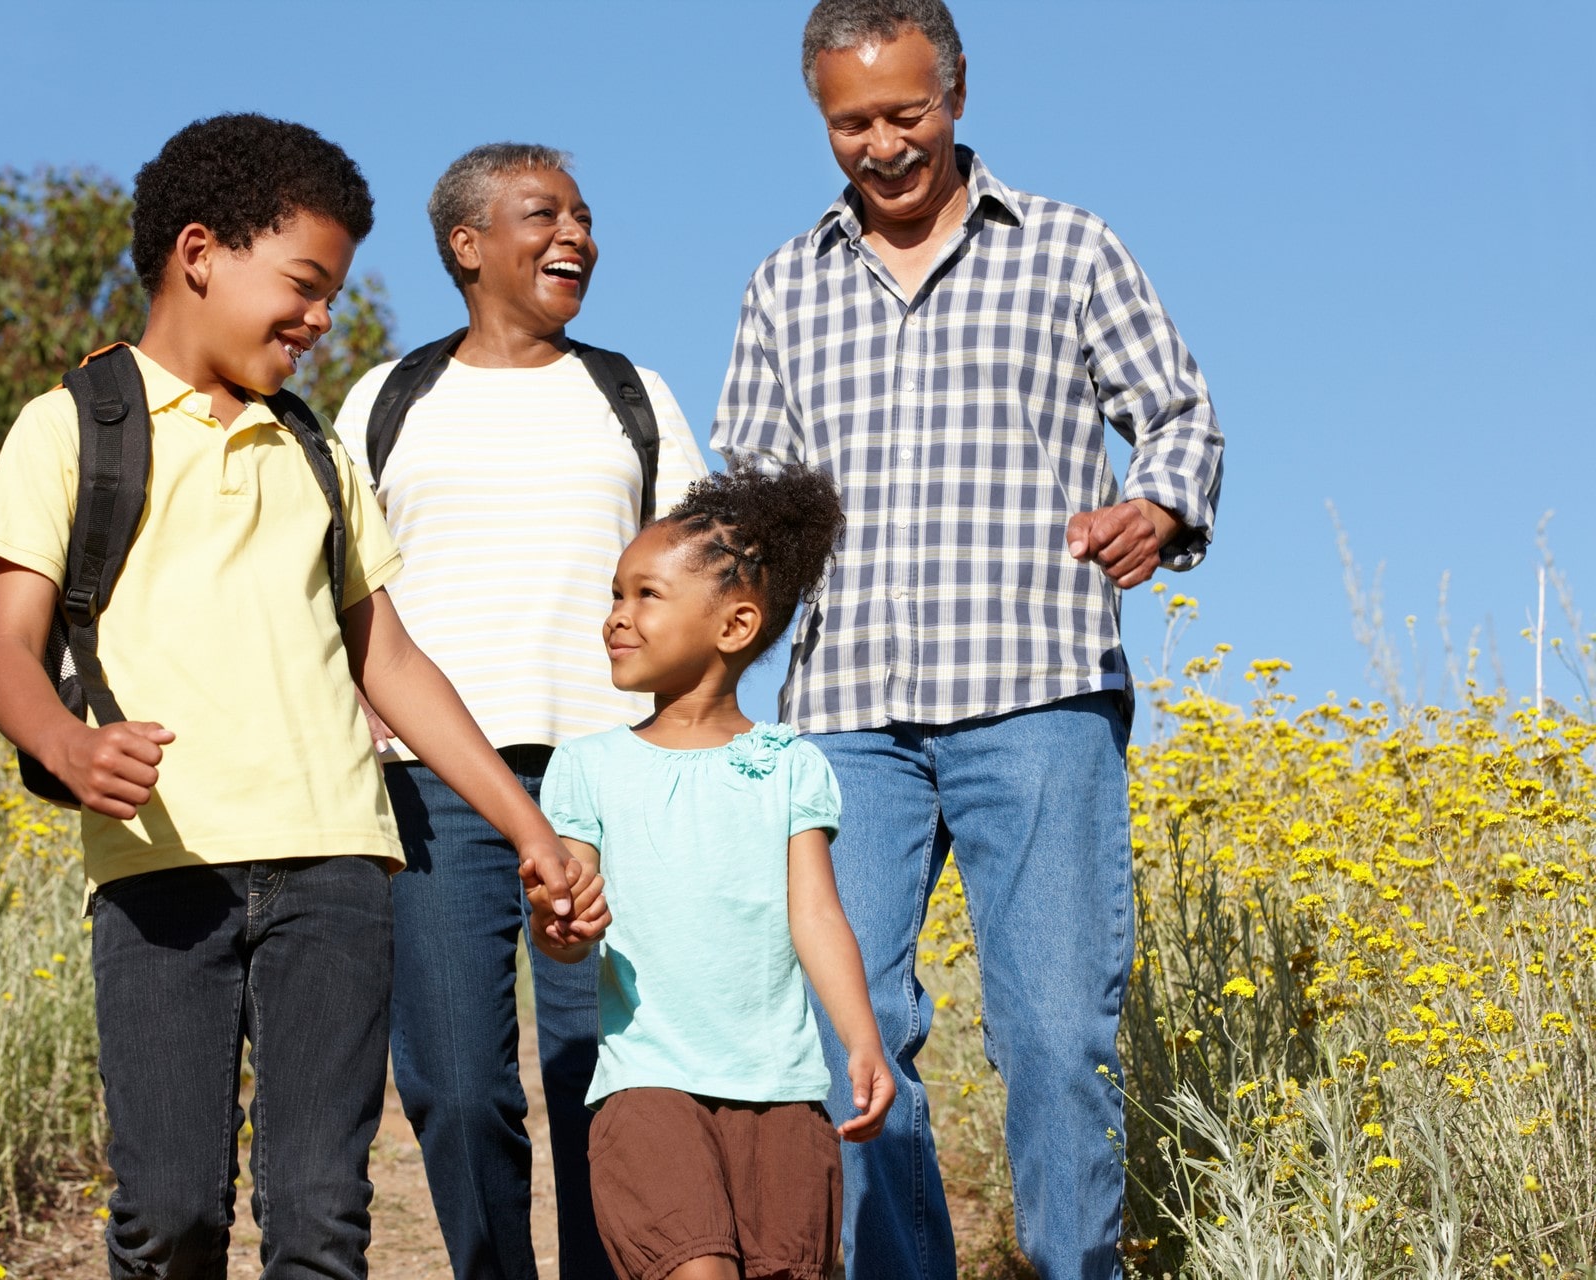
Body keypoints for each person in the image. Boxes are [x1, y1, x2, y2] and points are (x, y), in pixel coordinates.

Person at [0, 114, 592, 1280]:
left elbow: (392, 663)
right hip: (162, 869)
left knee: (319, 1218)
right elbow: (4, 647)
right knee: (171, 1214)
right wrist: (65, 741)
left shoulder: (314, 450)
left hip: (336, 869)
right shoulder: (71, 429)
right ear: (199, 251)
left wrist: (528, 825)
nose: (320, 319)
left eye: (332, 293)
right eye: (303, 286)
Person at [710, 3, 1227, 1277]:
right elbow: (753, 496)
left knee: (1054, 1032)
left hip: (1037, 689)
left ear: (955, 96)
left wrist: (1155, 504)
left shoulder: (1066, 247)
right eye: (851, 123)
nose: (882, 145)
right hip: (845, 710)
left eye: (906, 114)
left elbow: (1178, 411)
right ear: (819, 117)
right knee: (850, 1025)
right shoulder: (785, 281)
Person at [333, 143, 706, 1280]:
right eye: (544, 215)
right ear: (467, 245)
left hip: (607, 777)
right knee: (452, 1078)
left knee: (599, 1066)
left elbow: (699, 575)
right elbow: (333, 581)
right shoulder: (387, 399)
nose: (576, 237)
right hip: (432, 786)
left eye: (586, 218)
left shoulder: (631, 396)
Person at [523, 464, 896, 1280]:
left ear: (735, 625)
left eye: (645, 595)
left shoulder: (792, 764)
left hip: (784, 1094)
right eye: (616, 595)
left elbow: (817, 916)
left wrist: (862, 1038)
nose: (616, 618)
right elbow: (568, 917)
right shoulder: (585, 768)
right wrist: (559, 924)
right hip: (645, 1083)